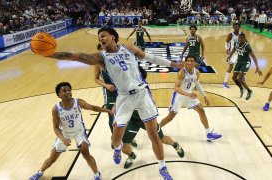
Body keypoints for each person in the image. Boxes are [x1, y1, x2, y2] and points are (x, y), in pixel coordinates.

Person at [44, 27, 184, 180]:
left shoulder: (128, 48)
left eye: (103, 36)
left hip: (142, 93)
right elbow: (73, 56)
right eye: (99, 38)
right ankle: (118, 149)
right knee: (116, 139)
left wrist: (173, 64)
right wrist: (48, 53)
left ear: (113, 37)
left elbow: (150, 57)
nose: (101, 39)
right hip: (124, 97)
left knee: (153, 134)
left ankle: (162, 167)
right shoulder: (101, 59)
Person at [29, 82, 112, 180]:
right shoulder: (56, 109)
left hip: (79, 132)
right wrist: (63, 139)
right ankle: (39, 172)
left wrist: (109, 111)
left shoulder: (78, 102)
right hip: (65, 134)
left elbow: (93, 108)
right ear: (59, 95)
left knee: (85, 152)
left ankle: (97, 174)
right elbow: (55, 128)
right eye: (64, 91)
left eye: (69, 90)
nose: (68, 92)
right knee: (52, 159)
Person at [120, 68, 185, 169]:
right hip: (133, 120)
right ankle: (131, 155)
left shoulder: (143, 89)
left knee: (162, 139)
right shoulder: (125, 86)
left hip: (147, 119)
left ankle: (175, 145)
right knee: (124, 146)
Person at [159, 55, 222, 141]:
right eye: (188, 60)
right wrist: (188, 94)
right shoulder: (182, 72)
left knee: (201, 111)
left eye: (192, 61)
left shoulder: (197, 72)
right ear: (185, 62)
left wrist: (205, 96)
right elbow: (176, 88)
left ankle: (208, 134)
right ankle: (156, 129)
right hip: (179, 96)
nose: (190, 62)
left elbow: (197, 84)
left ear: (195, 63)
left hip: (189, 94)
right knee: (170, 117)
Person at [94, 44, 137, 148]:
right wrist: (106, 85)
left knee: (127, 114)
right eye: (101, 50)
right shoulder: (98, 63)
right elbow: (96, 79)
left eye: (104, 49)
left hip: (123, 91)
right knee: (111, 114)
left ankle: (128, 137)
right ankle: (114, 138)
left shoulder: (116, 59)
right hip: (110, 93)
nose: (103, 51)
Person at [227, 33, 263, 100]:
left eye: (241, 38)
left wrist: (257, 67)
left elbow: (254, 57)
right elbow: (233, 50)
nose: (239, 39)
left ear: (244, 38)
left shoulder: (247, 46)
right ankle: (241, 88)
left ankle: (249, 91)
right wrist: (229, 56)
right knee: (234, 78)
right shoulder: (236, 43)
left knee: (240, 78)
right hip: (239, 61)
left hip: (246, 62)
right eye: (239, 38)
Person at [223, 23, 241, 88]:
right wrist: (227, 49)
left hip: (240, 52)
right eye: (234, 27)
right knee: (230, 67)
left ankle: (240, 78)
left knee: (240, 66)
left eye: (237, 27)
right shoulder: (231, 34)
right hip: (232, 53)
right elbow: (226, 42)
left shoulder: (242, 34)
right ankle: (225, 81)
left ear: (239, 27)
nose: (235, 28)